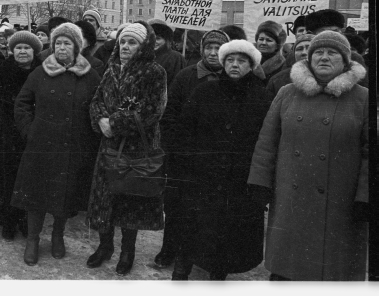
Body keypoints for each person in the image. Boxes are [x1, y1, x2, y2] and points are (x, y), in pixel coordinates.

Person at [248, 31, 368, 281]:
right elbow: (267, 143)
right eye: (318, 53)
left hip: (340, 204)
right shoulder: (287, 93)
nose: (324, 57)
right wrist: (260, 184)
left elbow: (371, 154)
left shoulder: (363, 98)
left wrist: (366, 197)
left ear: (346, 60)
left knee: (332, 273)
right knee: (287, 272)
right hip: (291, 200)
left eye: (332, 53)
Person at [172, 39, 272, 280]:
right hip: (202, 176)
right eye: (230, 60)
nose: (235, 65)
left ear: (252, 65)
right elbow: (185, 130)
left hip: (239, 180)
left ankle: (219, 273)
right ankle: (181, 269)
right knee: (194, 227)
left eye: (241, 61)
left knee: (228, 233)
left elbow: (266, 140)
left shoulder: (262, 97)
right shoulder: (204, 91)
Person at [12, 22, 101, 266]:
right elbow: (21, 104)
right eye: (58, 43)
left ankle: (57, 235)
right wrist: (30, 132)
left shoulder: (90, 74)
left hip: (73, 145)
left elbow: (97, 106)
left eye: (67, 43)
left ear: (77, 47)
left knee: (65, 193)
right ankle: (33, 239)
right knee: (36, 195)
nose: (62, 47)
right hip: (42, 144)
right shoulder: (40, 72)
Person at [86, 22, 167, 276]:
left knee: (130, 197)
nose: (125, 47)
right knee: (106, 196)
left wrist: (114, 123)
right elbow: (97, 99)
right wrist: (101, 120)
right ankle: (105, 245)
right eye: (122, 41)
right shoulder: (111, 69)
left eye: (132, 42)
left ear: (143, 46)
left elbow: (152, 110)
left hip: (136, 147)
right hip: (109, 144)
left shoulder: (155, 71)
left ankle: (127, 250)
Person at [153, 29, 230, 268]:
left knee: (209, 210)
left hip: (217, 160)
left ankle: (201, 254)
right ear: (202, 49)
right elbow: (169, 115)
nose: (213, 52)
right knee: (177, 207)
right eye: (209, 47)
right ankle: (169, 250)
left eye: (218, 48)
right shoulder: (186, 76)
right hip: (184, 157)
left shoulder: (233, 78)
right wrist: (179, 147)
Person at [0, 31, 43, 241]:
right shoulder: (0, 73)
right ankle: (9, 220)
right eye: (18, 47)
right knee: (7, 181)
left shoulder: (43, 73)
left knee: (31, 182)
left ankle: (26, 220)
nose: (22, 51)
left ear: (35, 51)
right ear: (11, 50)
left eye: (27, 48)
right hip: (5, 136)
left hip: (33, 135)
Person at [148, 18, 185, 86]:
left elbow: (176, 84)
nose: (154, 42)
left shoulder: (175, 57)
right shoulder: (143, 56)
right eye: (151, 38)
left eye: (158, 38)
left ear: (166, 40)